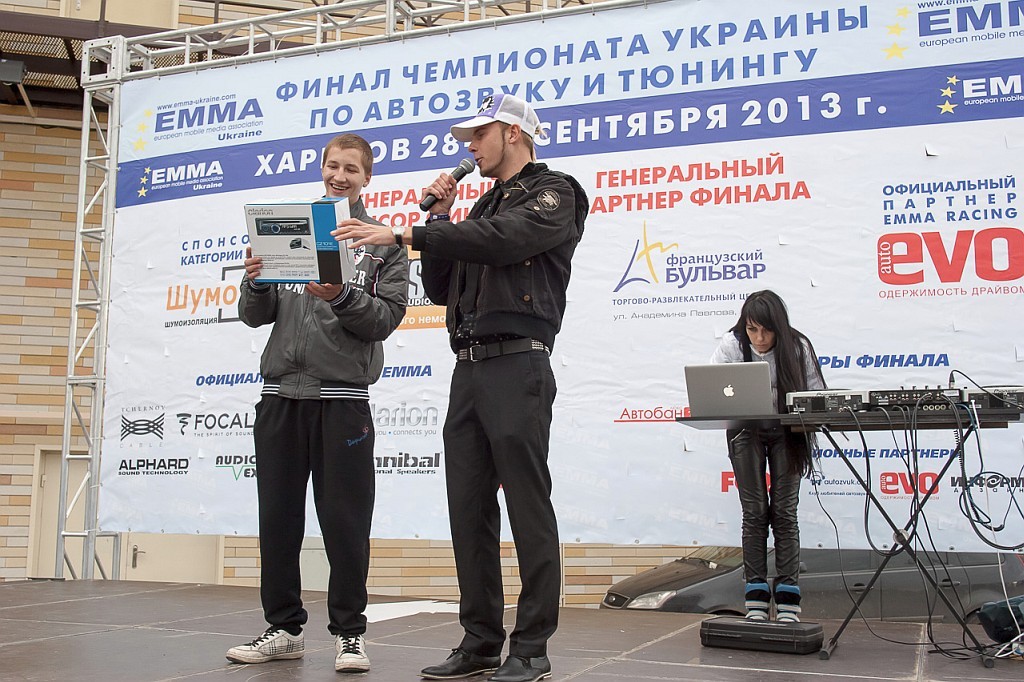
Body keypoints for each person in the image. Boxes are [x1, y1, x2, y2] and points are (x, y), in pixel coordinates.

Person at [334, 93, 588, 682]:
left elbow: (505, 241)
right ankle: (480, 642)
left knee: (527, 505)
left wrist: (405, 236)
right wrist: (440, 220)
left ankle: (532, 648)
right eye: (467, 139)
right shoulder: (480, 208)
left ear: (514, 134)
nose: (469, 148)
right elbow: (443, 287)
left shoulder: (555, 192)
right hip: (468, 368)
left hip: (519, 364)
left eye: (479, 136)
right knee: (468, 508)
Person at [226, 133, 408, 673]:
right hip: (280, 397)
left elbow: (385, 319)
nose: (339, 176)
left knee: (345, 523)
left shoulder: (383, 243)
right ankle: (283, 629)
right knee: (278, 520)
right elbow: (254, 316)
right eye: (332, 166)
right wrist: (256, 283)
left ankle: (350, 635)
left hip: (342, 400)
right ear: (322, 168)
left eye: (351, 168)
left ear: (367, 177)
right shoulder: (288, 227)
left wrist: (343, 296)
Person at [710, 289, 825, 623]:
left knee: (785, 511)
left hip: (790, 432)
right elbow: (712, 390)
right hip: (745, 430)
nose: (759, 339)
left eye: (767, 330)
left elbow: (816, 394)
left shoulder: (798, 346)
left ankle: (788, 598)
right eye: (752, 330)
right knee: (754, 511)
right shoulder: (732, 345)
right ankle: (756, 598)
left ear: (779, 327)